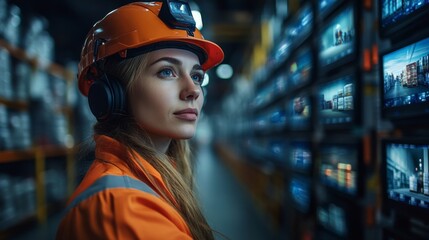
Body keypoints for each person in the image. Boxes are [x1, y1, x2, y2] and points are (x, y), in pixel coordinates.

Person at [55, 1, 224, 239]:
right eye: (167, 71)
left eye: (196, 76)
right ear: (113, 94)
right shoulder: (122, 209)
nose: (193, 90)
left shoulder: (153, 178)